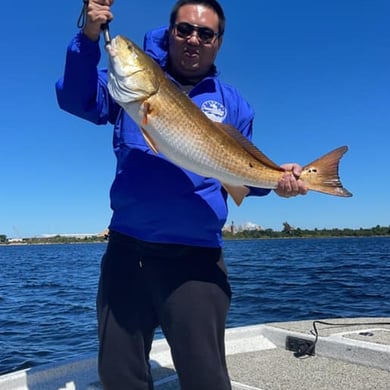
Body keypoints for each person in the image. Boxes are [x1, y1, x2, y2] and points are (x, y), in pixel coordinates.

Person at [56, 0, 307, 389]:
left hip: (197, 260)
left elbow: (246, 177)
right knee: (120, 377)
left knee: (206, 379)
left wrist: (280, 181)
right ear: (170, 32)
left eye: (205, 33)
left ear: (219, 42)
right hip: (128, 253)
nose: (194, 39)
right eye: (184, 29)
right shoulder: (130, 90)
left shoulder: (234, 103)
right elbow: (76, 98)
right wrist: (89, 37)